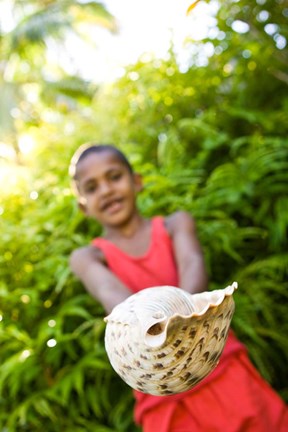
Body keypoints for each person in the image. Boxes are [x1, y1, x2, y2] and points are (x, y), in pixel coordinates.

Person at [69, 143, 288, 432]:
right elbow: (110, 294)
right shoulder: (87, 257)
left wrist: (178, 318)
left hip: (216, 365)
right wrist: (150, 322)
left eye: (114, 177)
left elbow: (193, 265)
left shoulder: (175, 224)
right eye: (92, 187)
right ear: (83, 205)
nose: (107, 190)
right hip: (161, 388)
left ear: (137, 182)